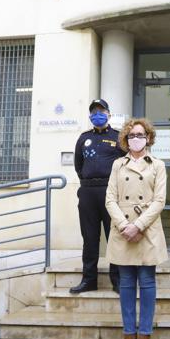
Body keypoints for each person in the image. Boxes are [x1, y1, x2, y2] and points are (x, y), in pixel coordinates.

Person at [105, 118, 168, 339]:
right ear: (125, 139)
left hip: (147, 230)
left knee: (148, 283)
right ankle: (128, 335)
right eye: (131, 135)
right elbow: (110, 198)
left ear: (148, 138)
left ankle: (144, 337)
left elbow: (159, 200)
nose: (136, 139)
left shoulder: (158, 165)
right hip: (123, 231)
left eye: (140, 135)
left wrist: (138, 226)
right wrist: (124, 225)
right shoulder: (117, 165)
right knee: (127, 285)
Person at [71, 99, 124, 294]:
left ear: (109, 114)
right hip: (87, 193)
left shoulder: (118, 137)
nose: (97, 114)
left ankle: (117, 280)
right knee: (90, 238)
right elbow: (78, 165)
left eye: (101, 111)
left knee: (115, 237)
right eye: (94, 112)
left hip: (110, 192)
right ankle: (89, 280)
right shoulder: (83, 138)